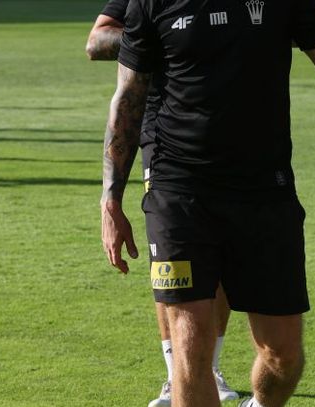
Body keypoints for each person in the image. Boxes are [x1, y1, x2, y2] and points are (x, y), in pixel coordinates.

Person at [100, 0, 315, 405]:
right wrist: (111, 199)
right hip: (179, 187)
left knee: (283, 357)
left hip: (265, 188)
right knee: (191, 347)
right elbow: (128, 97)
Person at [86, 1, 239, 406]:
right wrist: (165, 35)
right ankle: (177, 375)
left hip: (237, 126)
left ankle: (209, 368)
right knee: (172, 255)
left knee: (222, 250)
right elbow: (97, 41)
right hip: (166, 129)